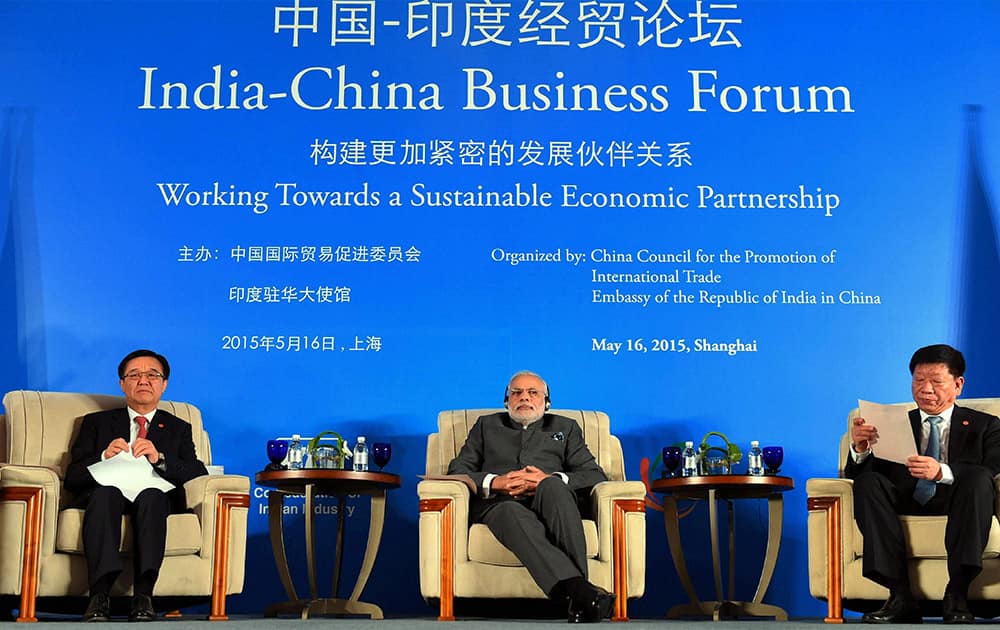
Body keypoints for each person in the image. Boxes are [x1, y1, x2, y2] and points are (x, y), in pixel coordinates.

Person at [846, 344, 1000, 624]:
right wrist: (861, 449)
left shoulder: (986, 425)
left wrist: (941, 472)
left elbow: (992, 470)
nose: (926, 389)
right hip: (906, 500)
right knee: (868, 482)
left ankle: (957, 593)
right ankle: (900, 595)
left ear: (958, 385)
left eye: (936, 381)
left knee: (978, 478)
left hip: (960, 501)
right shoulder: (892, 422)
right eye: (919, 380)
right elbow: (857, 476)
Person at [447, 370, 614, 623]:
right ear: (507, 401)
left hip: (552, 500)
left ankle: (578, 595)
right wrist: (496, 481)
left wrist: (551, 479)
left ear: (546, 402)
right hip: (500, 502)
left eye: (533, 392)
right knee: (509, 512)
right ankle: (582, 594)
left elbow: (594, 474)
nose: (524, 397)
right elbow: (458, 470)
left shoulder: (565, 428)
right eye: (517, 392)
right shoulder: (486, 425)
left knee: (553, 487)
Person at [64, 349, 208, 622]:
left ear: (164, 384)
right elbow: (73, 476)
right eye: (135, 375)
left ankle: (143, 596)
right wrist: (103, 456)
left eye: (152, 375)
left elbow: (195, 470)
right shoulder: (96, 423)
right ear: (122, 384)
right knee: (106, 494)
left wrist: (160, 458)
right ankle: (99, 596)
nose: (144, 380)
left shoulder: (179, 427)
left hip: (153, 498)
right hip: (105, 494)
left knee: (153, 496)